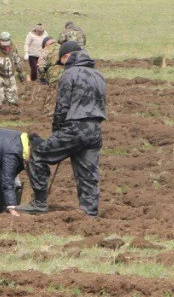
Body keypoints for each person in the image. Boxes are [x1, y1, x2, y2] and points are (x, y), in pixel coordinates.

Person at [16, 42, 106, 218]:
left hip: (74, 127)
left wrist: (57, 131)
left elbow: (62, 107)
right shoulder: (98, 75)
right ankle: (90, 214)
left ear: (66, 57)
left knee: (38, 154)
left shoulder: (69, 74)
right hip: (94, 130)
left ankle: (39, 202)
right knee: (87, 174)